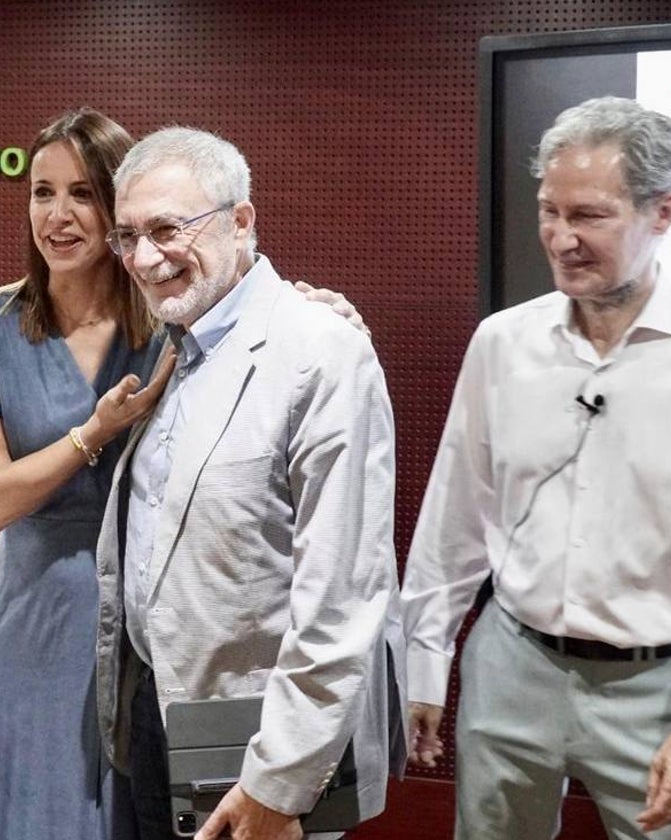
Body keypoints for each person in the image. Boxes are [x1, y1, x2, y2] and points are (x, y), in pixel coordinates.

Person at [0, 108, 369, 840]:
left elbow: (247, 305)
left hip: (166, 645)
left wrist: (319, 316)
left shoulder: (176, 318)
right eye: (42, 193)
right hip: (26, 627)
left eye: (84, 194)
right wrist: (96, 430)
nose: (60, 215)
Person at [400, 96, 671, 839]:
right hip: (511, 665)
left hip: (661, 688)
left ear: (663, 212)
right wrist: (426, 665)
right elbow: (455, 517)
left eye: (590, 216)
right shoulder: (501, 345)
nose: (561, 238)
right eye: (550, 211)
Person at [94, 126, 407, 840]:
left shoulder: (320, 352)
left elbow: (343, 596)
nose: (145, 258)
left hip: (263, 731)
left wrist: (282, 781)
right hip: (159, 712)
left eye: (169, 229)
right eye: (129, 236)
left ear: (241, 221)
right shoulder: (176, 345)